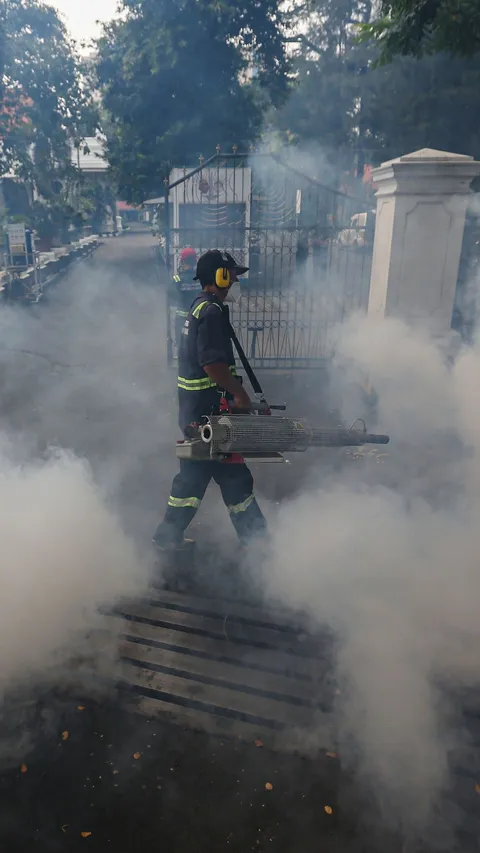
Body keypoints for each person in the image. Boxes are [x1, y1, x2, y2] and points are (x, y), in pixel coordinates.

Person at [154, 249, 267, 551]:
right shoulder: (212, 312)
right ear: (219, 276)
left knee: (196, 479)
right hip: (210, 416)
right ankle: (259, 545)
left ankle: (167, 538)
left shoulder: (199, 308)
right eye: (231, 276)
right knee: (233, 479)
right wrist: (240, 394)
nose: (235, 282)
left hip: (198, 413)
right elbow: (212, 364)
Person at [170, 247, 200, 351]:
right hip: (198, 318)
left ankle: (182, 366)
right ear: (195, 261)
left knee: (182, 347)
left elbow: (171, 298)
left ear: (182, 261)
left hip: (182, 320)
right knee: (196, 347)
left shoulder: (177, 279)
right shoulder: (200, 278)